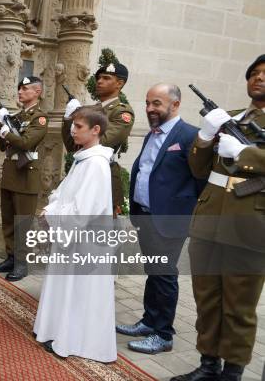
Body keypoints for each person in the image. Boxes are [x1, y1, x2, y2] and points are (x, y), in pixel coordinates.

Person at [171, 55, 265, 381]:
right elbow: (198, 168)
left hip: (250, 226)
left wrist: (244, 154)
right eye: (254, 73)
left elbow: (246, 162)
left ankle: (232, 372)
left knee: (238, 307)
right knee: (207, 299)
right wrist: (205, 137)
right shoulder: (232, 118)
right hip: (209, 220)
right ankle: (208, 365)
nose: (259, 78)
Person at [116, 84, 204, 354]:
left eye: (156, 103)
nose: (150, 109)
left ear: (175, 105)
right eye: (147, 103)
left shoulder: (189, 135)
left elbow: (201, 179)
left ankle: (163, 334)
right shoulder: (153, 134)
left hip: (170, 220)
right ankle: (149, 320)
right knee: (153, 271)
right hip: (145, 215)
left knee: (164, 274)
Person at [33, 105, 116, 363]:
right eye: (73, 125)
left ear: (96, 130)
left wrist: (52, 216)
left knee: (79, 293)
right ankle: (58, 330)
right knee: (65, 286)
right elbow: (65, 192)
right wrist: (51, 207)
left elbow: (84, 210)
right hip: (72, 238)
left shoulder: (96, 165)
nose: (73, 131)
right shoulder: (84, 159)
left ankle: (73, 339)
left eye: (78, 127)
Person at [0, 76, 48, 282]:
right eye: (19, 89)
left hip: (26, 176)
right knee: (8, 220)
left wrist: (7, 132)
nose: (20, 92)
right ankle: (11, 257)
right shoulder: (16, 115)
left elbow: (26, 142)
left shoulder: (39, 118)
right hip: (11, 172)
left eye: (25, 89)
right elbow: (3, 146)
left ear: (37, 92)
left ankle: (22, 263)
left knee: (23, 223)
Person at [62, 63, 134, 215]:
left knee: (99, 228)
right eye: (99, 78)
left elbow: (102, 142)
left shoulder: (122, 112)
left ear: (119, 83)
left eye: (106, 78)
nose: (99, 81)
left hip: (103, 173)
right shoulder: (91, 110)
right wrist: (68, 119)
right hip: (82, 170)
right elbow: (72, 146)